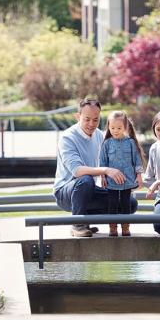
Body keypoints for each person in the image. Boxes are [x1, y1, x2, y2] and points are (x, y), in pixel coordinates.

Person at [53, 98, 138, 237]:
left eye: (95, 120)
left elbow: (108, 161)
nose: (91, 124)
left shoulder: (99, 135)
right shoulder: (67, 138)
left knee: (130, 204)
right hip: (65, 192)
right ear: (77, 116)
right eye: (87, 119)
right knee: (85, 179)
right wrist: (105, 170)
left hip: (89, 190)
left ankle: (85, 218)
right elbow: (77, 171)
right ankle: (78, 224)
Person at [99, 110, 145, 237]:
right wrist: (102, 176)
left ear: (125, 127)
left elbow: (137, 160)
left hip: (127, 180)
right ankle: (112, 228)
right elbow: (102, 162)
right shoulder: (106, 144)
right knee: (112, 204)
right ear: (108, 127)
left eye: (119, 128)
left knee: (126, 203)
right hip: (112, 182)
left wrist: (139, 176)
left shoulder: (130, 143)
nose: (115, 130)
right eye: (112, 127)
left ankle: (125, 227)